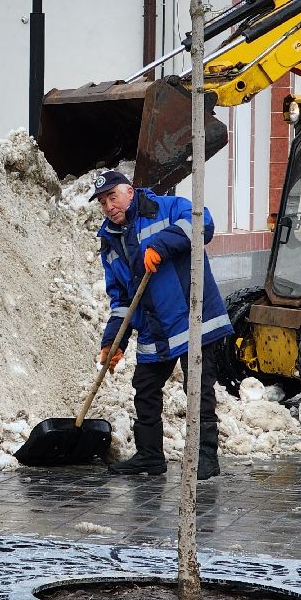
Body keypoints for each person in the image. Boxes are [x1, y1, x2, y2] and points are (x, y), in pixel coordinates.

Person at [91, 169, 233, 480]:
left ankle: (205, 457)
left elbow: (202, 223)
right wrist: (113, 342)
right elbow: (121, 300)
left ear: (130, 191)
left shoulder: (167, 208)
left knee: (197, 388)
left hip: (193, 317)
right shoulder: (110, 242)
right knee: (145, 388)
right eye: (102, 202)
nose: (109, 206)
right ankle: (150, 456)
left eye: (112, 197)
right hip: (156, 328)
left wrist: (160, 245)